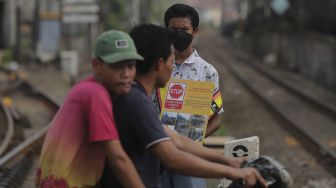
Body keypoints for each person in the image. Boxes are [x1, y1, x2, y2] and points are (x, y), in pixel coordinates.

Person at [100, 24, 267, 188]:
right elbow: (172, 158)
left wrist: (230, 161)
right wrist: (233, 173)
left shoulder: (137, 97)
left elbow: (178, 140)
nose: (173, 68)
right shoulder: (136, 102)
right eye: (172, 61)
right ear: (159, 64)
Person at [35, 30, 146, 188]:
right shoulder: (95, 95)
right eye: (116, 66)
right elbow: (118, 159)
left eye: (130, 66)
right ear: (96, 65)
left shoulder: (85, 88)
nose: (126, 74)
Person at [154, 4, 224, 188]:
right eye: (173, 30)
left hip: (189, 160)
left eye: (184, 29)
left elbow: (216, 120)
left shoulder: (208, 72)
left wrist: (189, 142)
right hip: (154, 158)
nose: (178, 34)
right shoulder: (155, 67)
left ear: (195, 31)